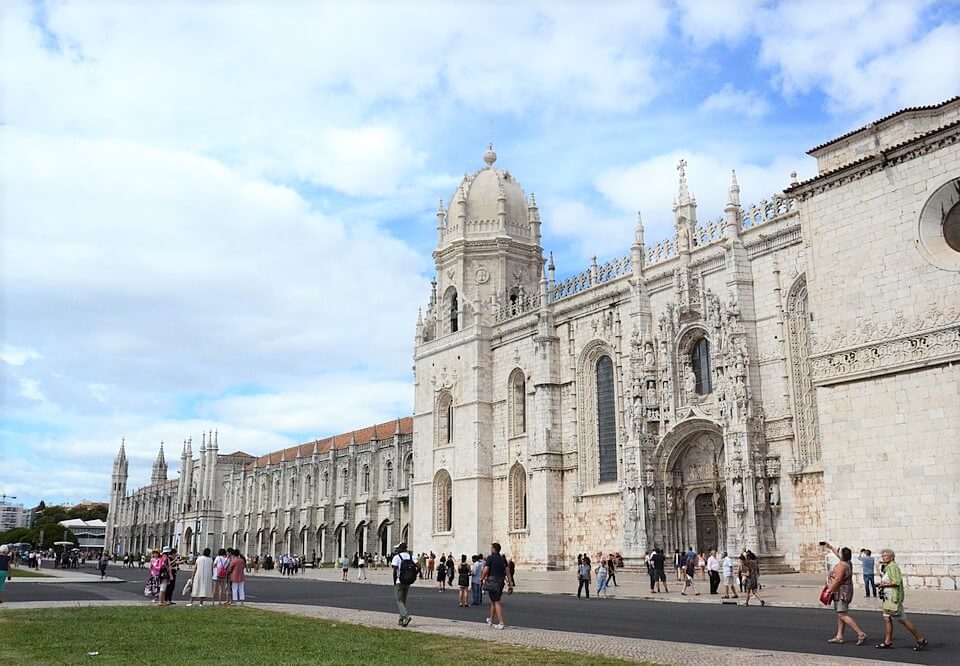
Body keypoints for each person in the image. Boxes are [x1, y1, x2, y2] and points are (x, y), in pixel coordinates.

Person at [875, 549, 927, 651]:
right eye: (882, 556)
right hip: (887, 598)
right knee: (887, 618)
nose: (883, 557)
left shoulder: (893, 567)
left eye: (885, 556)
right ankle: (887, 641)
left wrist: (883, 585)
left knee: (903, 620)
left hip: (893, 598)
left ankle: (920, 639)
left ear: (891, 557)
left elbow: (896, 582)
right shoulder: (888, 567)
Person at [821, 542, 866, 645]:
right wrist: (830, 547)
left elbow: (838, 580)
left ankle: (860, 633)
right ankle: (839, 636)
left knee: (842, 614)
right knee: (840, 614)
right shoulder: (848, 562)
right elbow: (839, 555)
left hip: (841, 592)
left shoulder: (841, 566)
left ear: (842, 556)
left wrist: (829, 590)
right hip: (845, 591)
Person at [391, 542, 418, 626]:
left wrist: (395, 581)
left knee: (399, 600)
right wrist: (414, 575)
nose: (396, 550)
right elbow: (419, 566)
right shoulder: (411, 557)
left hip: (400, 581)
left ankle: (406, 616)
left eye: (397, 548)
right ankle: (401, 620)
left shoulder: (397, 557)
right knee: (403, 601)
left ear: (400, 548)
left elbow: (395, 570)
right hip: (408, 581)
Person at [482, 542, 507, 629]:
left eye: (491, 548)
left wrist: (482, 579)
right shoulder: (503, 559)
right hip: (501, 582)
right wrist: (510, 584)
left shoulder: (490, 558)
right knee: (494, 601)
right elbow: (507, 572)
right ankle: (491, 619)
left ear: (493, 549)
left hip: (492, 582)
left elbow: (485, 570)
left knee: (496, 601)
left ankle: (501, 622)